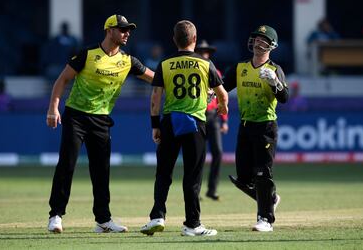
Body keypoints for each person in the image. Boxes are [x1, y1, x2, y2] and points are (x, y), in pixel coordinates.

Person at [46, 14, 154, 233]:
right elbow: (62, 80)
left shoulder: (127, 61)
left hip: (102, 120)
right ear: (109, 31)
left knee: (101, 171)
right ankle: (55, 215)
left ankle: (103, 220)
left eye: (128, 29)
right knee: (67, 165)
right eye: (122, 29)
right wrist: (53, 108)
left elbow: (157, 78)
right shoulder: (87, 54)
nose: (126, 33)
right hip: (76, 116)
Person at [140, 20, 228, 237]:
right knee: (192, 176)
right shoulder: (206, 65)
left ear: (174, 40)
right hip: (195, 123)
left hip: (170, 122)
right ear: (195, 40)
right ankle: (192, 224)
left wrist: (155, 125)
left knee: (163, 173)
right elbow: (223, 95)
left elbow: (155, 98)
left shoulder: (165, 63)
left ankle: (157, 217)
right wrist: (222, 108)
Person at [223, 25, 288, 232]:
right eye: (257, 38)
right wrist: (212, 93)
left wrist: (276, 83)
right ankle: (271, 198)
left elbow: (285, 97)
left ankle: (265, 219)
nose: (259, 42)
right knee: (243, 178)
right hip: (245, 126)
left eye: (264, 40)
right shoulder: (240, 67)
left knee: (262, 173)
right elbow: (223, 85)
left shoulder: (274, 69)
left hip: (265, 127)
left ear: (272, 45)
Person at [195, 40, 228, 201]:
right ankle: (196, 190)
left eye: (206, 52)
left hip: (213, 116)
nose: (204, 54)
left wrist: (224, 120)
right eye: (201, 52)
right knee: (198, 155)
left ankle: (212, 189)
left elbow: (222, 98)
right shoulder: (194, 72)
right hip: (198, 115)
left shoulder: (216, 72)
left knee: (218, 153)